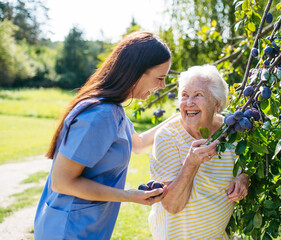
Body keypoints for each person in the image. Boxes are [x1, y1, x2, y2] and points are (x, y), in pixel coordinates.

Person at [34, 31, 176, 240]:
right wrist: (128, 196)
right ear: (136, 72)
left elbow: (138, 144)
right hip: (67, 231)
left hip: (85, 228)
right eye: (160, 78)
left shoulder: (114, 110)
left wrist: (181, 117)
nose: (162, 86)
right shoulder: (100, 115)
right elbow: (61, 182)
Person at [148, 65, 250, 239]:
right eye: (185, 95)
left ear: (217, 104)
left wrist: (243, 179)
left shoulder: (233, 131)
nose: (189, 103)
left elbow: (247, 168)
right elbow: (172, 205)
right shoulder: (167, 137)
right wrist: (191, 163)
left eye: (198, 95)